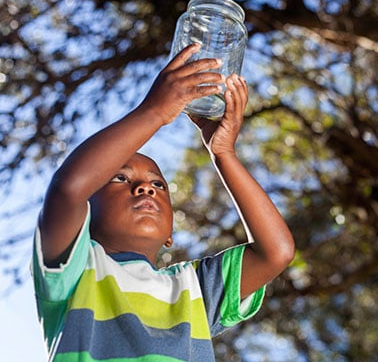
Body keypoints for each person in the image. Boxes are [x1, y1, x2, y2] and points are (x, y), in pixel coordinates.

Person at [32, 43, 295, 362]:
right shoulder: (74, 269)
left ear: (170, 233)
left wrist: (224, 154)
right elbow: (68, 188)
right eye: (120, 178)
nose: (145, 188)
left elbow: (276, 252)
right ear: (85, 214)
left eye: (158, 184)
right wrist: (154, 112)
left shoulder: (194, 289)